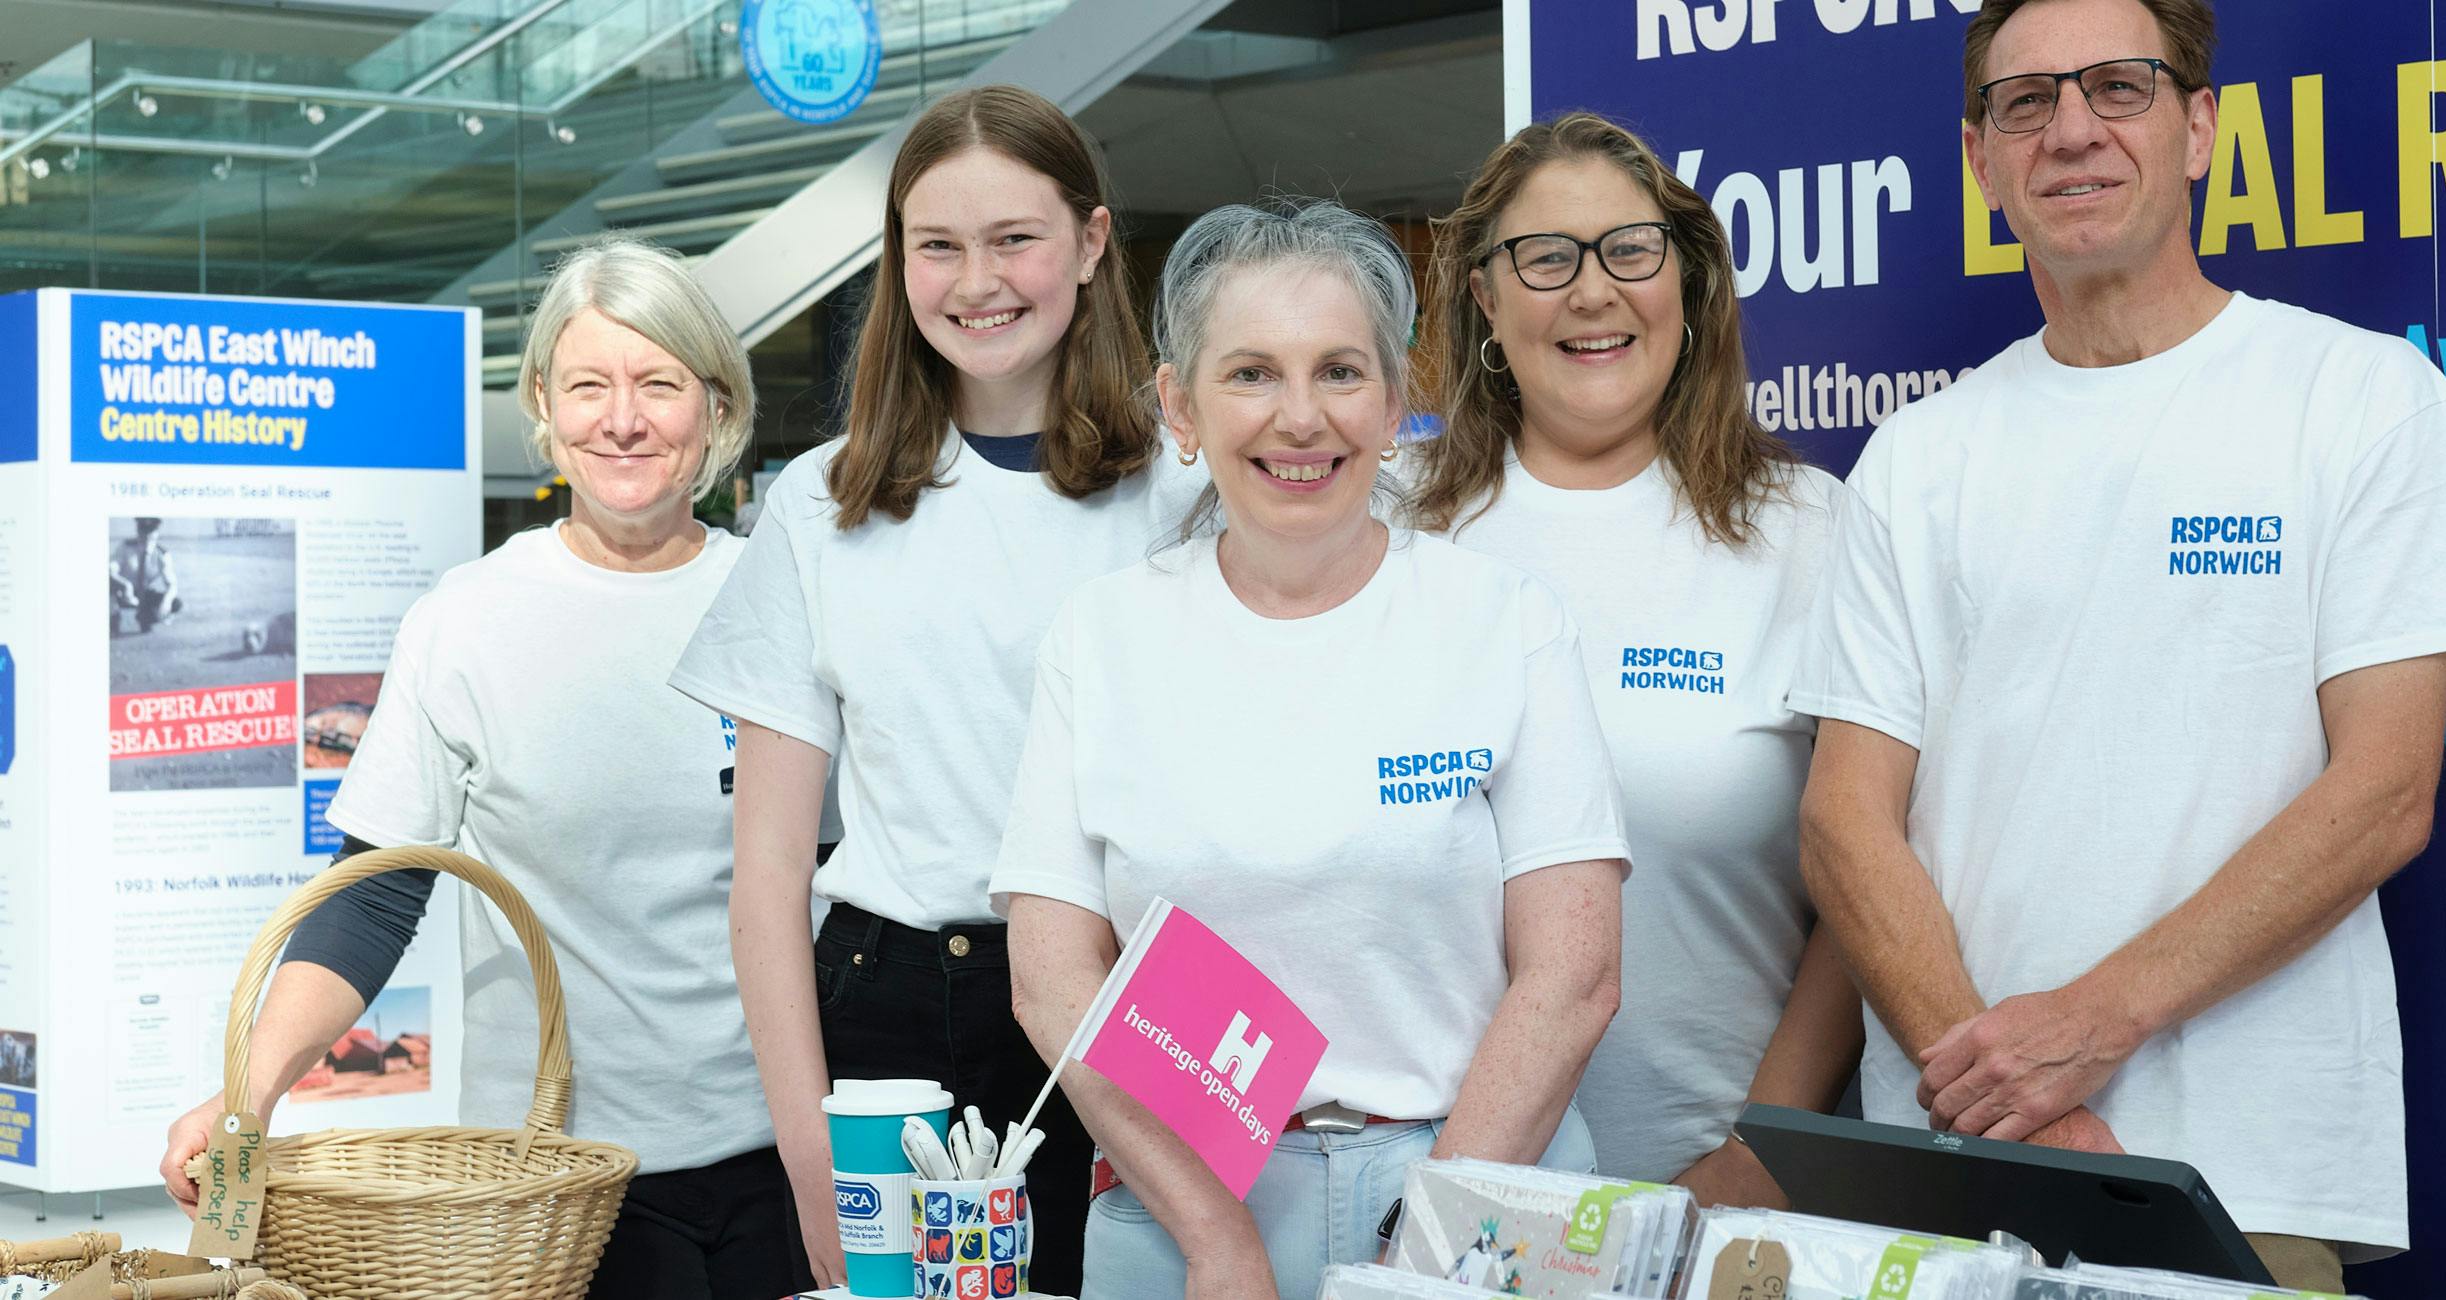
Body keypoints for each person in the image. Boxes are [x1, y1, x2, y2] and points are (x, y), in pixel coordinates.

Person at [1790, 0, 2446, 1290]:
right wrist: (2017, 1103)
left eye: (2118, 88)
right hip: (1955, 1177)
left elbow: (2383, 794)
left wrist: (2087, 1029)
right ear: (1980, 161)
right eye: (2025, 103)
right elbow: (1844, 825)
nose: (2071, 130)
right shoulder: (1919, 455)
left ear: (2197, 127)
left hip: (2249, 1177)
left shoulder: (2357, 399)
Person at [991, 198, 1630, 1300]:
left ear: (1393, 401)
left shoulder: (1504, 619)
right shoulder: (1101, 637)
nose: (1300, 417)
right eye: (1250, 374)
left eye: (1339, 371)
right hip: (1182, 1200)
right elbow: (1054, 984)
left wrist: (1426, 1245)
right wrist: (1214, 1238)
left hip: (1477, 1184)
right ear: (1180, 407)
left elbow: (1573, 977)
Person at [157, 237, 810, 1300]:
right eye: (590, 385)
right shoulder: (466, 621)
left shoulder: (785, 605)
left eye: (659, 384)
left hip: (784, 1158)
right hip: (560, 1188)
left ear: (718, 404)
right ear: (545, 404)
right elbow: (369, 905)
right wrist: (247, 1097)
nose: (624, 419)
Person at [668, 84, 1195, 1294]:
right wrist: (812, 1154)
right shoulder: (823, 499)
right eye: (936, 245)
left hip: (1136, 998)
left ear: (1093, 242)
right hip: (898, 1016)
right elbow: (765, 872)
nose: (977, 280)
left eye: (1014, 238)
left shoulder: (1184, 487)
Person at [1411, 112, 1862, 1200]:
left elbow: (1871, 878)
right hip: (1424, 1194)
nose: (1592, 290)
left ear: (1687, 279)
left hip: (1724, 1199)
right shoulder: (1390, 532)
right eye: (1545, 258)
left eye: (1629, 249)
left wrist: (1758, 1155)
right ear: (1484, 295)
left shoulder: (1809, 531)